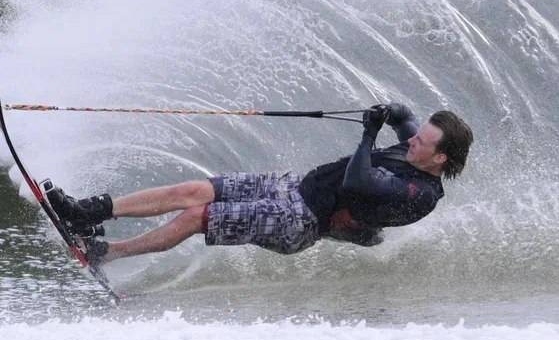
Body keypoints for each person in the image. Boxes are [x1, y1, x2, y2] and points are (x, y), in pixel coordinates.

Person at [47, 104, 473, 265]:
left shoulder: (420, 193)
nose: (412, 140)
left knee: (198, 216)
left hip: (300, 221)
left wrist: (367, 134)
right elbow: (404, 122)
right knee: (197, 190)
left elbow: (358, 178)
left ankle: (104, 253)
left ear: (440, 159)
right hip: (294, 186)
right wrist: (393, 112)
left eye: (421, 142)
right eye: (415, 137)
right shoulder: (420, 147)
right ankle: (87, 211)